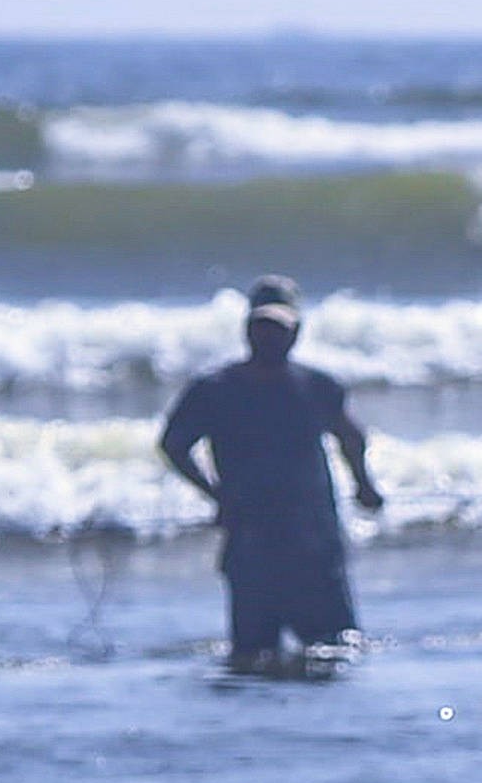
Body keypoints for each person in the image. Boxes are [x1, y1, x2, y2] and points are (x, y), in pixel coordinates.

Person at [156, 278, 386, 665]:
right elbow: (173, 445)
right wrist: (216, 494)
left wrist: (364, 485)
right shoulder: (215, 389)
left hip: (315, 541)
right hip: (250, 539)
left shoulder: (317, 387)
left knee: (335, 651)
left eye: (279, 328)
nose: (269, 337)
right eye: (261, 327)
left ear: (297, 331)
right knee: (251, 656)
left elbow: (351, 437)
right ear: (247, 329)